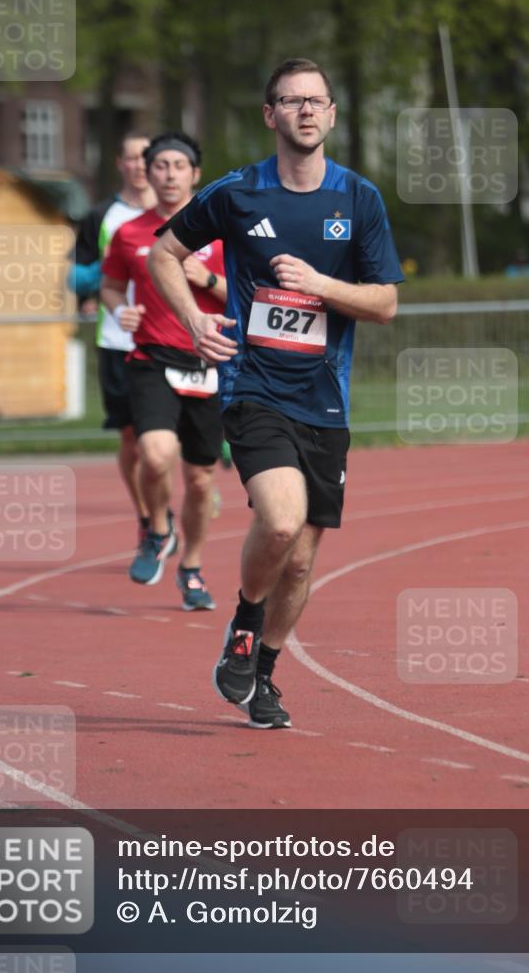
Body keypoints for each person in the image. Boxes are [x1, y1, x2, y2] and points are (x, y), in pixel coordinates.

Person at [149, 58, 403, 727]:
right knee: (282, 521)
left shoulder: (359, 198)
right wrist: (194, 320)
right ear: (271, 115)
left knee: (299, 563)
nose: (305, 111)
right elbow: (162, 254)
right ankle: (243, 619)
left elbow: (384, 304)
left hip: (326, 397)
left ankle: (261, 672)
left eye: (316, 101)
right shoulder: (238, 192)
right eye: (291, 101)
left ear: (332, 114)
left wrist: (321, 285)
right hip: (253, 385)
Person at [100, 132, 226, 611]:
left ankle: (191, 568)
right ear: (146, 173)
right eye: (160, 165)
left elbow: (248, 292)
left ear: (195, 174)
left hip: (209, 360)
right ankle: (157, 528)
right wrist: (120, 311)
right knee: (154, 455)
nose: (169, 174)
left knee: (200, 479)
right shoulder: (130, 232)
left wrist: (206, 278)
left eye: (179, 166)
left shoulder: (221, 232)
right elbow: (111, 286)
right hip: (151, 357)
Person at [69, 131, 157, 547]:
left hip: (170, 339)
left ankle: (189, 490)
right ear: (121, 163)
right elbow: (77, 275)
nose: (140, 165)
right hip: (118, 338)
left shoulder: (177, 211)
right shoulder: (101, 216)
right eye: (132, 158)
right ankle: (147, 515)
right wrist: (100, 279)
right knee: (132, 440)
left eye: (147, 157)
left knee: (166, 437)